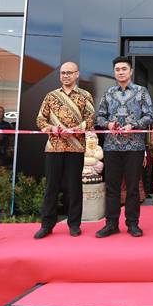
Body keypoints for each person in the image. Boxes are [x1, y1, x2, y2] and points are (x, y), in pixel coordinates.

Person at [95, 56, 153, 238]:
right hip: (112, 147)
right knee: (112, 187)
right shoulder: (109, 93)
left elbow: (150, 115)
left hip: (134, 147)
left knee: (132, 188)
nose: (120, 72)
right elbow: (99, 117)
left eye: (124, 69)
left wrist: (133, 125)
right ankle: (111, 224)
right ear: (114, 72)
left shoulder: (141, 91)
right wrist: (108, 124)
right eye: (117, 69)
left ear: (131, 71)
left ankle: (132, 224)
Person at [34, 61, 95, 239]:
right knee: (51, 187)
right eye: (63, 73)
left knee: (74, 187)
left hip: (76, 147)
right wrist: (52, 128)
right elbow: (40, 120)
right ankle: (47, 224)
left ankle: (74, 224)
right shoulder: (51, 96)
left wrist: (75, 130)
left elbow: (91, 119)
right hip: (54, 147)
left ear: (77, 74)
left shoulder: (85, 95)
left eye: (69, 72)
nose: (66, 76)